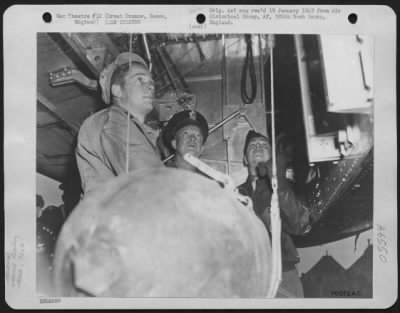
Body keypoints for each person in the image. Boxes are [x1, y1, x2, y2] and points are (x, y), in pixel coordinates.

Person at [76, 52, 163, 195]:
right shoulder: (115, 120)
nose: (150, 87)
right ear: (117, 90)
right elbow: (151, 185)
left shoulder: (129, 125)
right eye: (140, 80)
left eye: (151, 82)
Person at [237, 130, 311, 298]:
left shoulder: (288, 186)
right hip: (247, 274)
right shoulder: (234, 194)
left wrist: (279, 182)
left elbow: (300, 224)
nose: (258, 147)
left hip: (282, 273)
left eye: (264, 145)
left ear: (272, 156)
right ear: (244, 159)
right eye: (252, 146)